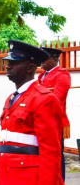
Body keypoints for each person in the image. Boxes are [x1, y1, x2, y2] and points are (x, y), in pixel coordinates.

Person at [0, 40, 64, 185]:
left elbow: (50, 153)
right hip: (6, 173)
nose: (8, 65)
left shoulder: (44, 99)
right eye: (8, 62)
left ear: (30, 67)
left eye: (15, 63)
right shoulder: (12, 98)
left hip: (27, 177)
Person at [39, 47, 71, 181]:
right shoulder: (42, 74)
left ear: (54, 59)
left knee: (56, 157)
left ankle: (60, 181)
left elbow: (56, 99)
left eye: (45, 58)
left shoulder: (62, 75)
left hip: (55, 122)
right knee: (45, 157)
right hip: (41, 120)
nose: (42, 61)